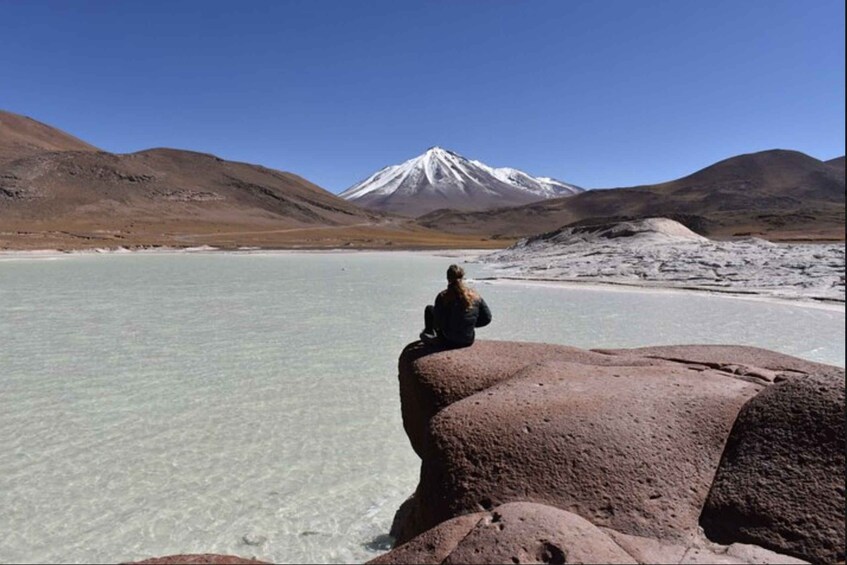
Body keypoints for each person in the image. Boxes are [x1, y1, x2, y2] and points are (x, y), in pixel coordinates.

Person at [420, 264, 492, 348]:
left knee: (429, 309)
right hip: (468, 340)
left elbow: (437, 323)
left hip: (449, 340)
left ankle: (430, 335)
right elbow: (487, 318)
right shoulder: (474, 295)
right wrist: (469, 325)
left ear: (448, 278)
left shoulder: (443, 296)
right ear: (463, 277)